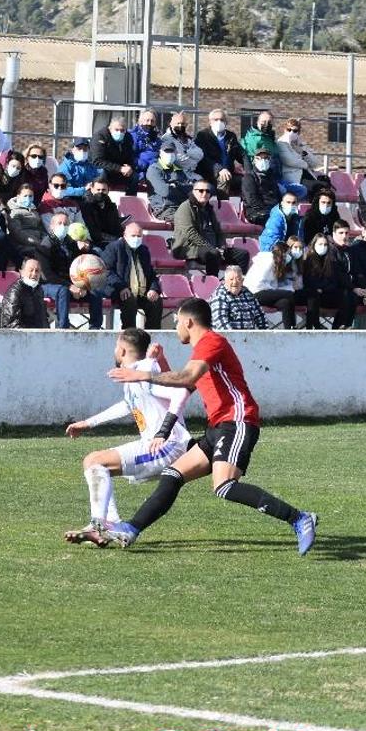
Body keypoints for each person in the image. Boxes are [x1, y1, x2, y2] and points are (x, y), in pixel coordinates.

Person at [100, 298, 318, 555]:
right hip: (218, 426)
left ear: (188, 322)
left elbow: (188, 377)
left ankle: (300, 518)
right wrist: (164, 365)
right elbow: (185, 385)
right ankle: (131, 529)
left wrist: (143, 374)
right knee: (172, 475)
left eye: (177, 322)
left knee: (224, 486)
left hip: (237, 421)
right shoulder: (201, 352)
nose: (176, 327)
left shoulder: (211, 342)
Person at [63, 331, 189, 544]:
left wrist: (163, 432)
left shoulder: (145, 370)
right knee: (94, 462)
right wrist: (88, 423)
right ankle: (108, 524)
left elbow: (181, 392)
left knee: (95, 461)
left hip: (167, 446)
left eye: (115, 346)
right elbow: (128, 405)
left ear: (121, 350)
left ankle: (99, 525)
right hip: (157, 444)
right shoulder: (136, 373)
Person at [37, 212, 104, 330]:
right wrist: (70, 286)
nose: (63, 226)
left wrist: (82, 286)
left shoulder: (70, 242)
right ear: (51, 226)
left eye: (65, 223)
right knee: (63, 291)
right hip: (49, 284)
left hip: (71, 284)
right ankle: (63, 328)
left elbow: (79, 265)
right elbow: (47, 275)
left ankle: (95, 328)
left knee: (95, 290)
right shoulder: (45, 245)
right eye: (59, 223)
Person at [172, 180, 248, 276]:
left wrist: (222, 247)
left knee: (242, 255)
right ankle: (214, 285)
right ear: (194, 191)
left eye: (207, 191)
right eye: (201, 191)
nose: (204, 193)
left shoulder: (209, 208)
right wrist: (211, 248)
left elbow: (218, 231)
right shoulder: (185, 207)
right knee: (213, 255)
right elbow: (190, 233)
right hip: (189, 248)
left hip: (212, 247)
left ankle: (237, 284)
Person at [102, 223, 163, 329]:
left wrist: (154, 289)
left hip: (141, 292)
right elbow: (107, 271)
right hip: (120, 291)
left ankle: (152, 335)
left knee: (156, 301)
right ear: (125, 235)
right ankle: (130, 334)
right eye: (133, 236)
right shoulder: (114, 248)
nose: (136, 238)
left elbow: (151, 274)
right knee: (129, 299)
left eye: (139, 236)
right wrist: (122, 287)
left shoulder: (144, 250)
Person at [301, 228, 360, 329]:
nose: (323, 247)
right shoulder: (307, 260)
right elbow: (308, 280)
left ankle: (339, 326)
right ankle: (314, 328)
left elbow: (334, 280)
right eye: (320, 244)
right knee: (313, 296)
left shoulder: (331, 261)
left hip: (327, 293)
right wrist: (319, 287)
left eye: (325, 245)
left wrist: (323, 288)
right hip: (313, 293)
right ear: (314, 245)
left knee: (347, 295)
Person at [245, 238, 303, 329]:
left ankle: (289, 329)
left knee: (285, 302)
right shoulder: (268, 261)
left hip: (265, 291)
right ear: (282, 253)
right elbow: (258, 283)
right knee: (289, 294)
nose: (288, 257)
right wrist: (279, 290)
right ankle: (293, 326)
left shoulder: (276, 264)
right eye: (287, 254)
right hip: (255, 293)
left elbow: (273, 284)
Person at [194, 108, 244, 197]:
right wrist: (219, 169)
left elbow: (241, 154)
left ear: (226, 122)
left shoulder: (231, 136)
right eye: (216, 120)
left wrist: (249, 169)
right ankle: (222, 207)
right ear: (210, 122)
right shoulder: (203, 136)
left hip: (229, 173)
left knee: (248, 180)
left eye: (222, 119)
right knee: (224, 178)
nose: (219, 122)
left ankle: (248, 208)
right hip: (209, 175)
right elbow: (204, 158)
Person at [147, 140, 194, 222]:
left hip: (180, 207)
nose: (169, 154)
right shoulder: (154, 170)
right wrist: (182, 189)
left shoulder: (179, 170)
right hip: (163, 209)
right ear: (160, 153)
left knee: (203, 219)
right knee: (186, 221)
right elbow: (165, 192)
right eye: (167, 151)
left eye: (172, 151)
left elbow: (191, 189)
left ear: (175, 153)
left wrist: (175, 186)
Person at [210, 265, 267, 330]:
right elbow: (220, 321)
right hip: (227, 337)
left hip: (249, 337)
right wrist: (235, 337)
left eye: (238, 279)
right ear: (224, 281)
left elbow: (260, 316)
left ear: (242, 281)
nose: (235, 282)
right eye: (231, 279)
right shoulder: (219, 295)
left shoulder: (248, 294)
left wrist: (267, 335)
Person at [0, 258, 49, 329]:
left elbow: (43, 318)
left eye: (37, 271)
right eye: (31, 270)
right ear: (22, 272)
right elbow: (11, 323)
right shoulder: (15, 291)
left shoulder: (39, 290)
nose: (34, 274)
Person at [240, 145, 284, 225]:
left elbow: (278, 195)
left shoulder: (271, 176)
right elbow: (252, 200)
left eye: (266, 158)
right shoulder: (249, 177)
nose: (263, 160)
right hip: (256, 212)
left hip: (273, 209)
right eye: (259, 158)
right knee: (275, 219)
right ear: (254, 160)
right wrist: (270, 211)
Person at [91, 116, 137, 188]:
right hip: (105, 169)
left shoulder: (128, 137)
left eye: (122, 130)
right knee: (101, 173)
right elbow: (97, 161)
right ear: (110, 128)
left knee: (134, 176)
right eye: (116, 129)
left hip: (120, 171)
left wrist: (130, 167)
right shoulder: (100, 136)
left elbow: (130, 157)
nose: (119, 132)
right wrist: (120, 168)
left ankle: (130, 198)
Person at [277, 118, 323, 188]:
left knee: (325, 185)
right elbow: (290, 161)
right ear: (285, 130)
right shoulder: (281, 143)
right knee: (317, 187)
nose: (291, 132)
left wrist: (303, 151)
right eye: (289, 130)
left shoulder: (300, 144)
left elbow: (315, 164)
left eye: (295, 131)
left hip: (305, 174)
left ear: (298, 133)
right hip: (292, 175)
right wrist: (306, 165)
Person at [6, 184, 48, 261]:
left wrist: (46, 240)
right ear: (18, 196)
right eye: (25, 196)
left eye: (30, 196)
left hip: (39, 243)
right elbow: (17, 232)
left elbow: (42, 228)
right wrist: (37, 242)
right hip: (23, 244)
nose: (28, 198)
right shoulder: (14, 212)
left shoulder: (34, 211)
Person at [79, 178, 124, 248]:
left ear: (108, 190)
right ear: (92, 190)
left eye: (103, 190)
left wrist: (123, 238)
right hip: (94, 242)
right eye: (98, 190)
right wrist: (116, 239)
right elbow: (93, 232)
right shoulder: (86, 205)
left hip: (111, 241)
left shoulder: (111, 206)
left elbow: (116, 226)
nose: (100, 192)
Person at [160, 112, 204, 176]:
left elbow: (200, 154)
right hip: (177, 174)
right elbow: (178, 160)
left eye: (182, 123)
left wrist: (186, 153)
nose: (180, 126)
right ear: (171, 124)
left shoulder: (187, 138)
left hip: (191, 172)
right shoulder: (166, 139)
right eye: (178, 123)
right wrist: (192, 158)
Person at [130, 110, 163, 174]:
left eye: (152, 121)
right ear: (140, 121)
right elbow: (131, 157)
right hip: (138, 172)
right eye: (147, 120)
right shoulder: (133, 136)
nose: (149, 123)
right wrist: (146, 165)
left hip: (155, 171)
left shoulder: (157, 139)